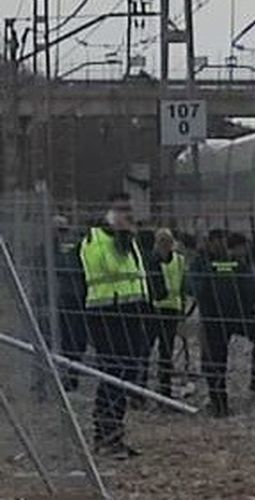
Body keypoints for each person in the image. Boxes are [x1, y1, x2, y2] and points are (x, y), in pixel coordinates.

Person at [78, 193, 150, 457]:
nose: (127, 215)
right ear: (107, 213)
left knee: (126, 373)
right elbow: (108, 267)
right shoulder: (96, 239)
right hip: (107, 312)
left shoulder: (127, 241)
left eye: (128, 209)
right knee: (113, 373)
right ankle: (105, 435)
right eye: (120, 210)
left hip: (130, 311)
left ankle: (115, 433)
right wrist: (122, 234)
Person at [189, 230, 255, 416]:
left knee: (216, 360)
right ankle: (220, 403)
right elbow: (248, 286)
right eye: (217, 241)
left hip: (224, 317)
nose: (221, 245)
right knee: (215, 361)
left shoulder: (209, 263)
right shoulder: (225, 263)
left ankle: (222, 402)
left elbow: (247, 287)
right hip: (220, 318)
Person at [146, 229, 188, 397]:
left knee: (166, 351)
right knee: (148, 349)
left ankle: (164, 388)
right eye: (161, 241)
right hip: (155, 309)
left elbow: (183, 286)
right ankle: (141, 388)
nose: (164, 245)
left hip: (170, 310)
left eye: (166, 241)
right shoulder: (151, 261)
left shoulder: (179, 261)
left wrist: (183, 311)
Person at [52, 215, 87, 391]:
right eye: (59, 230)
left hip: (78, 297)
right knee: (65, 339)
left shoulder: (75, 247)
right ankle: (66, 376)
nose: (62, 234)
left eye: (64, 230)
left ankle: (73, 375)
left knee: (77, 339)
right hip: (61, 298)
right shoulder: (49, 248)